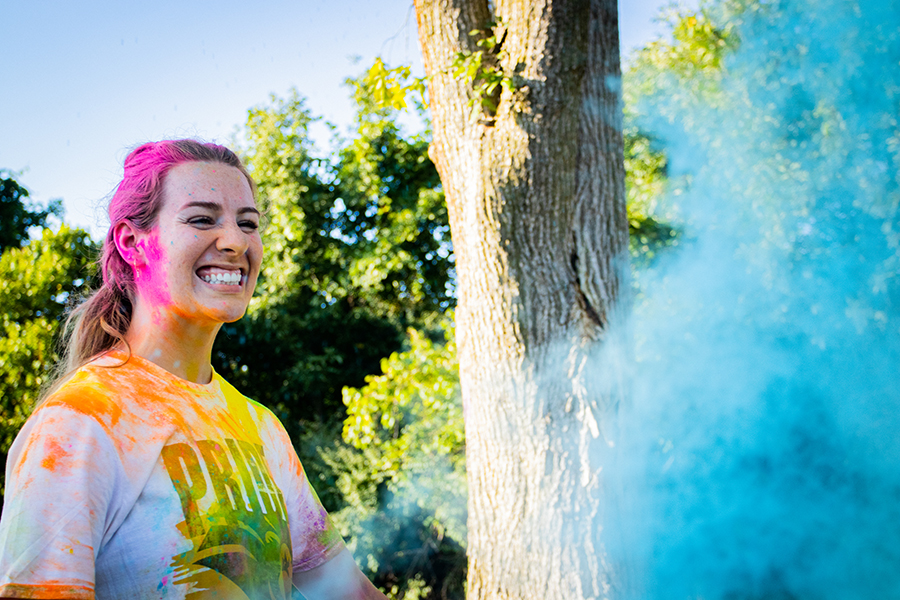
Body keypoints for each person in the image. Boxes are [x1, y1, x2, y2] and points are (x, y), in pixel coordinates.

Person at [0, 140, 388, 600]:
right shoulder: (79, 423)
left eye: (249, 223)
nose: (236, 241)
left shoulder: (261, 427)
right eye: (202, 219)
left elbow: (344, 592)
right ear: (132, 243)